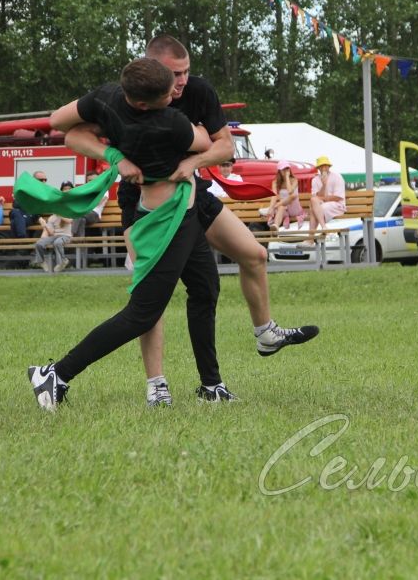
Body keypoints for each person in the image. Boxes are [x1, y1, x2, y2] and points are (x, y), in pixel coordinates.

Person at [49, 35, 318, 404]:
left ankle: (243, 355)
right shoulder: (126, 104)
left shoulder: (193, 94)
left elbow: (221, 144)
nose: (183, 82)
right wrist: (115, 157)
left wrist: (191, 164)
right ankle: (155, 385)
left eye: (187, 71)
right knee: (149, 303)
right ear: (152, 78)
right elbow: (68, 130)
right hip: (145, 206)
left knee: (244, 261)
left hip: (192, 194)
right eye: (175, 75)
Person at [31, 56, 221, 410]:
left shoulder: (108, 99)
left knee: (207, 286)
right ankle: (55, 374)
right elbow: (206, 141)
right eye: (169, 93)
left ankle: (213, 385)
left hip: (184, 212)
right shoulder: (168, 123)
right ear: (143, 103)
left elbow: (62, 125)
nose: (176, 95)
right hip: (164, 220)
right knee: (143, 313)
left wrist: (114, 154)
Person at [33, 181, 75, 273]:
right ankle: (41, 261)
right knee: (39, 243)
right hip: (55, 236)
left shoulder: (67, 212)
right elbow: (51, 233)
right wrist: (45, 225)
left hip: (65, 236)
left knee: (57, 242)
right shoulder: (52, 217)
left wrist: (60, 214)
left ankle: (63, 261)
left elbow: (69, 221)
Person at [309, 156, 346, 231]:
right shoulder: (315, 180)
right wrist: (324, 185)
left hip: (337, 205)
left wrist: (321, 199)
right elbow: (315, 199)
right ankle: (323, 227)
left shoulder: (337, 177)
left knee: (314, 209)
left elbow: (338, 197)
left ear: (329, 166)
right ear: (318, 168)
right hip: (322, 205)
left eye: (326, 165)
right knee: (314, 202)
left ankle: (311, 239)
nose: (324, 168)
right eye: (321, 166)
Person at [266, 161, 305, 229]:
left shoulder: (294, 180)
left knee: (292, 196)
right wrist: (271, 208)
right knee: (281, 207)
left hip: (294, 208)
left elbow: (290, 192)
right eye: (283, 169)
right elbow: (274, 196)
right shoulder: (275, 182)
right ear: (279, 171)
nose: (286, 170)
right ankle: (276, 226)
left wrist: (287, 177)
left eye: (287, 168)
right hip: (283, 208)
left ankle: (277, 206)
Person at [9, 170, 47, 238]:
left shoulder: (45, 192)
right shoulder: (26, 189)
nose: (44, 181)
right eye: (41, 180)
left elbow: (38, 208)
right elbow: (15, 204)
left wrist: (26, 202)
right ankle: (22, 239)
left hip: (32, 216)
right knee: (15, 213)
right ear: (33, 180)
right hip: (21, 215)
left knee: (14, 220)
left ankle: (21, 239)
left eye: (45, 180)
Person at [71, 170, 110, 237]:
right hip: (85, 215)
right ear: (86, 181)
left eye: (94, 179)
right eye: (90, 180)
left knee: (78, 215)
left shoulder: (103, 189)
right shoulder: (86, 191)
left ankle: (71, 234)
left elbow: (98, 203)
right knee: (82, 220)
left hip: (95, 215)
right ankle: (80, 243)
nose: (92, 181)